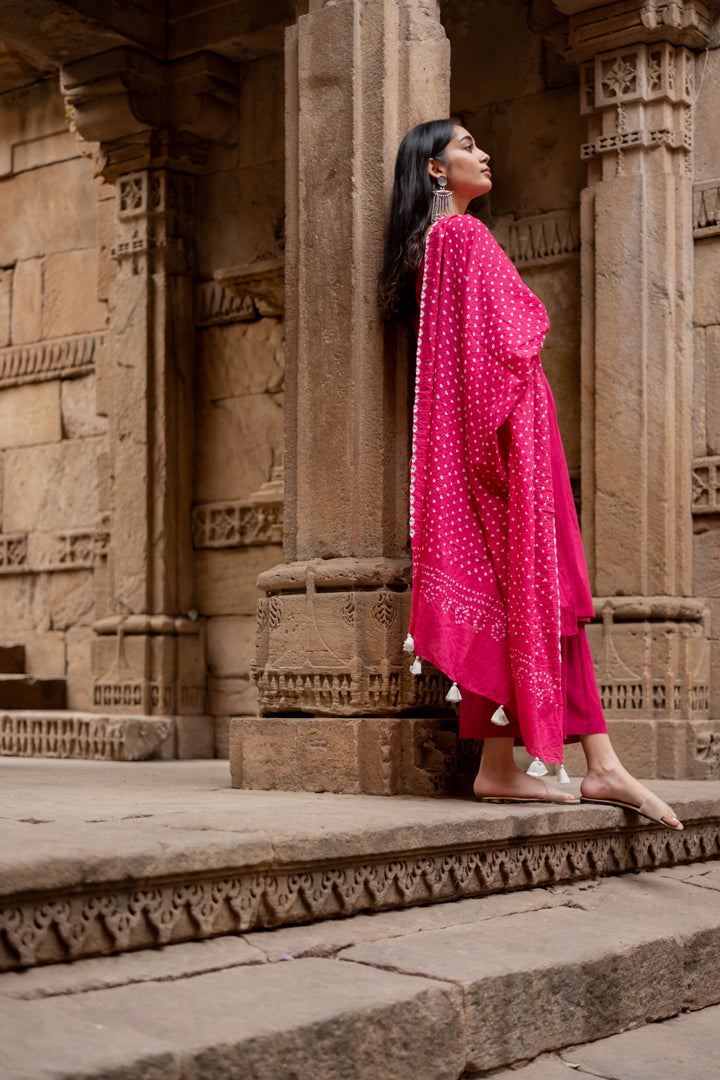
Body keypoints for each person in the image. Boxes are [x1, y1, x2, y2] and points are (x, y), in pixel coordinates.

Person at [379, 118, 683, 830]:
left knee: (519, 591)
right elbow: (506, 340)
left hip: (493, 434)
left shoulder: (437, 246)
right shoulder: (462, 237)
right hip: (510, 433)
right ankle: (601, 766)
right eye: (466, 146)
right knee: (546, 589)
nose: (484, 153)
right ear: (434, 170)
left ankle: (498, 766)